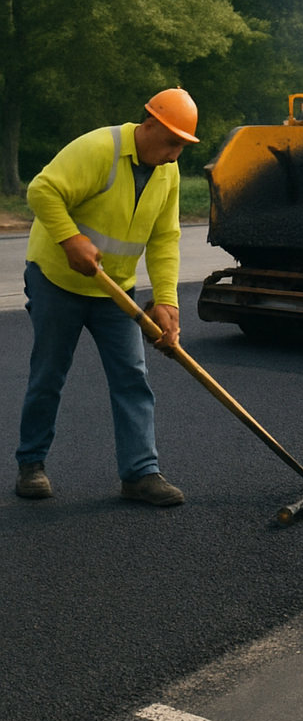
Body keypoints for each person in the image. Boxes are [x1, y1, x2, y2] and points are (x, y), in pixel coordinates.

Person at [15, 88, 200, 505]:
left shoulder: (167, 173)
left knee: (132, 377)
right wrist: (69, 238)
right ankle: (31, 464)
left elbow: (165, 239)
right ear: (148, 124)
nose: (175, 154)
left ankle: (140, 474)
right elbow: (41, 190)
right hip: (57, 281)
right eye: (171, 142)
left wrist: (167, 301)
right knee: (49, 374)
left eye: (183, 146)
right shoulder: (100, 148)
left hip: (116, 293)